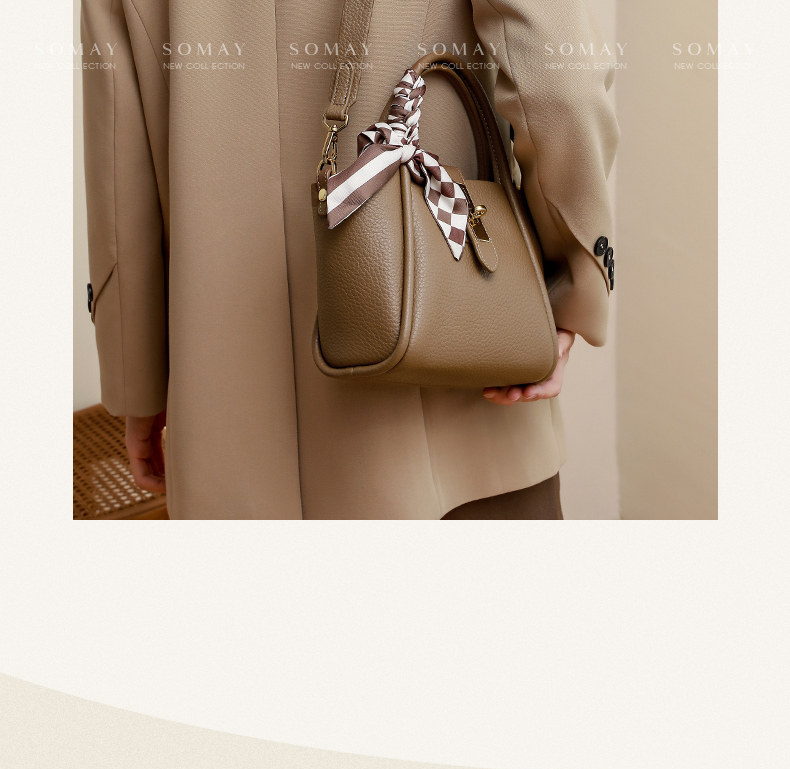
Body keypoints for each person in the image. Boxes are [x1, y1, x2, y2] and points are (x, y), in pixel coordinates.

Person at [80, 0, 619, 519]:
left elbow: (117, 145)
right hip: (459, 411)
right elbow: (559, 76)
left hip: (229, 439)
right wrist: (569, 287)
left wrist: (136, 380)